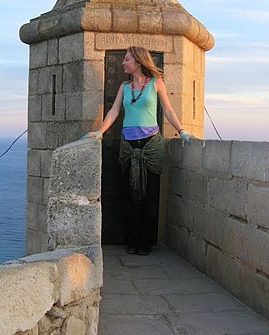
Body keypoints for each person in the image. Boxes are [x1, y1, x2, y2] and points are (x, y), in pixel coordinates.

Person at [83, 46, 195, 255]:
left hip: (151, 145)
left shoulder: (155, 83)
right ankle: (132, 240)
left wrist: (182, 131)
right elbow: (114, 111)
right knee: (129, 194)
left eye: (127, 59)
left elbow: (168, 109)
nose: (123, 63)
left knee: (149, 195)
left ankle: (145, 242)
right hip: (128, 145)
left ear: (138, 62)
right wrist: (100, 132)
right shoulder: (124, 87)